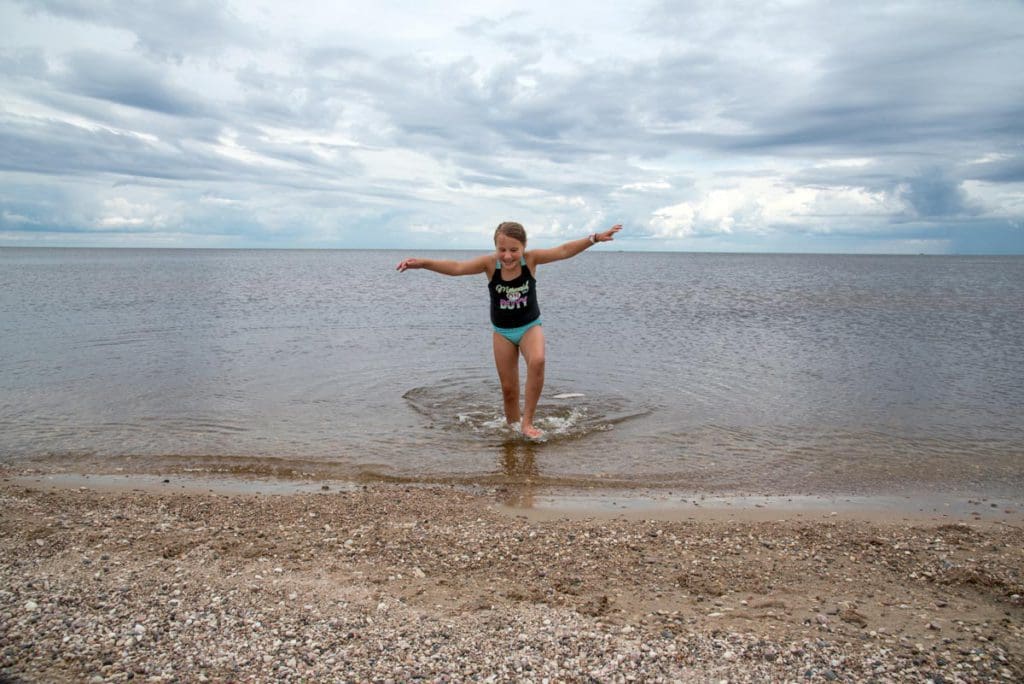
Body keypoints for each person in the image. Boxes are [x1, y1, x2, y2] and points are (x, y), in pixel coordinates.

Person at [396, 221, 622, 438]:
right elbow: (456, 268)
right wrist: (423, 263)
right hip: (502, 332)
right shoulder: (490, 264)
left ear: (523, 247)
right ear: (495, 248)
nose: (507, 256)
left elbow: (563, 250)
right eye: (501, 249)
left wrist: (594, 239)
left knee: (538, 360)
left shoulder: (530, 260)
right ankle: (513, 429)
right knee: (509, 390)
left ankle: (527, 424)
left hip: (529, 327)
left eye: (514, 249)